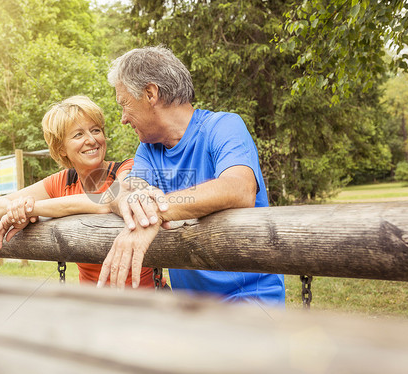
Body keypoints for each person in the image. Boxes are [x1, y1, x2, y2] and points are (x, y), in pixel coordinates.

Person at [97, 46, 285, 306]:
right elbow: (119, 192)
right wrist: (135, 203)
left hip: (250, 301)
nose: (123, 119)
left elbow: (239, 189)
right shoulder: (149, 149)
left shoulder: (224, 126)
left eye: (124, 104)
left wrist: (157, 211)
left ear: (150, 94)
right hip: (189, 309)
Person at [0, 95, 163, 288]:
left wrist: (33, 209)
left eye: (95, 130)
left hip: (148, 301)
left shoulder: (126, 168)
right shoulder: (62, 181)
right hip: (93, 306)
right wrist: (18, 210)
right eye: (78, 135)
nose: (91, 140)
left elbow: (108, 201)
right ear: (61, 148)